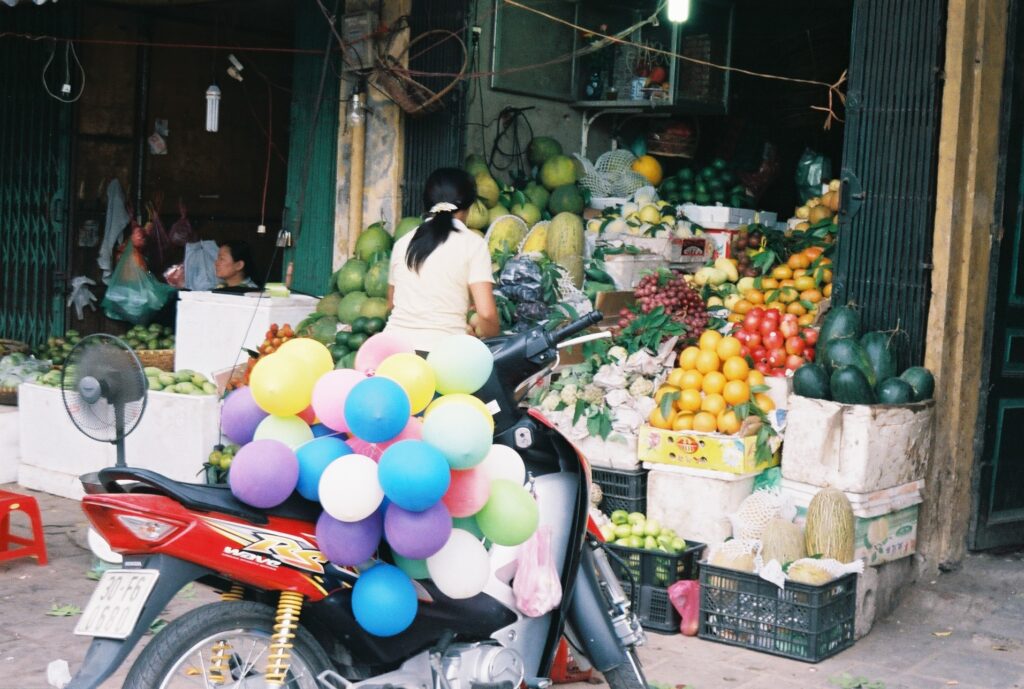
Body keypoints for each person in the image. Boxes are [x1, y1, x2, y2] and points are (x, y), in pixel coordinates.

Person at [385, 168, 499, 352]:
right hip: (445, 356)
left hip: (394, 351)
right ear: (470, 205)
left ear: (426, 203)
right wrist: (493, 340)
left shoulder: (402, 243)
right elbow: (486, 314)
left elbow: (391, 305)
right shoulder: (473, 244)